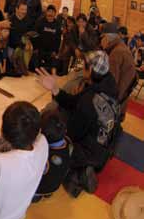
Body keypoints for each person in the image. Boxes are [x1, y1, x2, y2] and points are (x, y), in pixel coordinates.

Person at [36, 51, 119, 194]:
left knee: (52, 137)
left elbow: (71, 133)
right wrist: (55, 89)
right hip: (105, 146)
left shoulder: (89, 101)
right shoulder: (109, 87)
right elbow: (74, 103)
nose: (81, 68)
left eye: (84, 66)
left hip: (89, 152)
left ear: (91, 70)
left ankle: (79, 170)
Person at [33, 109, 72, 202]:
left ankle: (36, 195)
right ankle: (47, 193)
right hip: (56, 184)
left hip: (41, 188)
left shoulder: (45, 156)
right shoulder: (68, 142)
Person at [100, 23, 136, 115]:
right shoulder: (120, 47)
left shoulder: (117, 53)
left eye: (102, 38)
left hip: (115, 103)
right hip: (121, 98)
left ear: (107, 38)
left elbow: (111, 83)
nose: (101, 41)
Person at [35, 5, 62, 74]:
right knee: (36, 67)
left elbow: (58, 39)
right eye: (49, 11)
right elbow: (36, 35)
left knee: (55, 67)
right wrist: (36, 48)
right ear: (46, 12)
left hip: (51, 51)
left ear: (55, 13)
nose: (50, 13)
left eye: (52, 12)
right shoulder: (40, 22)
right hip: (41, 50)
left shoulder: (57, 24)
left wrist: (55, 51)